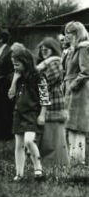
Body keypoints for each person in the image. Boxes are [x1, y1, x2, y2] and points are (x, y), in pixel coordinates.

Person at [9, 48, 46, 181]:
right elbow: (10, 95)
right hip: (18, 113)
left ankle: (38, 168)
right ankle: (19, 173)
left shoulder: (39, 77)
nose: (15, 66)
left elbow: (45, 97)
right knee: (18, 145)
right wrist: (14, 80)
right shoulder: (17, 77)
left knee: (29, 140)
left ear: (26, 62)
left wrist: (42, 115)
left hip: (32, 113)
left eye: (17, 64)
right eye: (13, 64)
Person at [36, 37, 69, 167]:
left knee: (54, 138)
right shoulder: (47, 63)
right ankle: (52, 165)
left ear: (53, 50)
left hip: (54, 104)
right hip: (48, 102)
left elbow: (45, 82)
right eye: (42, 49)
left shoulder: (54, 63)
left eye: (47, 49)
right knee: (49, 137)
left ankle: (58, 165)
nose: (43, 51)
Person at [63, 21, 89, 165]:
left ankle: (79, 161)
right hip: (72, 90)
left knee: (77, 126)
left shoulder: (83, 48)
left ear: (77, 34)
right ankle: (73, 159)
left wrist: (72, 86)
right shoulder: (74, 49)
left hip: (79, 91)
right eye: (66, 33)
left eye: (70, 33)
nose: (67, 36)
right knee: (71, 125)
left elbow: (85, 72)